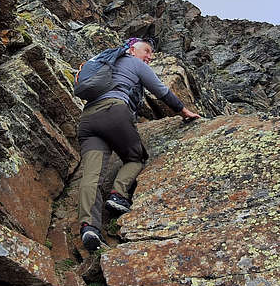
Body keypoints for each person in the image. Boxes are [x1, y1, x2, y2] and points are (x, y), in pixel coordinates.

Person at [77, 37, 201, 252]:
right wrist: (184, 111)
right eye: (147, 51)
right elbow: (161, 91)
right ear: (132, 49)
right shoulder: (132, 62)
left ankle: (89, 227)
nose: (150, 57)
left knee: (91, 177)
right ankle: (118, 195)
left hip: (88, 120)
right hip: (114, 110)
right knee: (136, 158)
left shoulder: (103, 62)